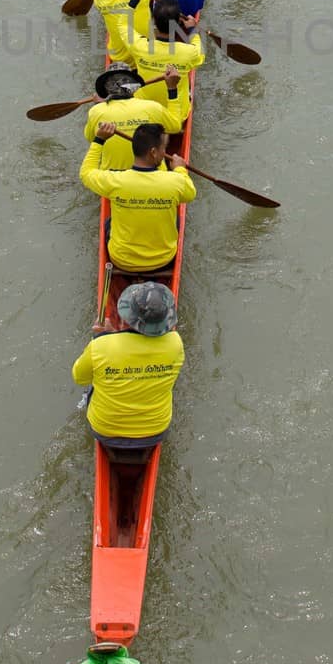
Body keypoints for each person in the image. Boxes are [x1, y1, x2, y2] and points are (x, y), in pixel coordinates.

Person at [72, 280, 184, 451]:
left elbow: (80, 378)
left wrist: (101, 336)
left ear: (127, 317)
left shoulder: (101, 346)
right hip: (155, 431)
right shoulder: (175, 344)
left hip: (105, 430)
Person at [80, 122, 196, 272]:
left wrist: (99, 140)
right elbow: (190, 193)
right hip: (163, 261)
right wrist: (180, 168)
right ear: (153, 152)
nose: (164, 152)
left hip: (121, 260)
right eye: (163, 148)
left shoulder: (114, 181)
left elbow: (86, 173)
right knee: (177, 219)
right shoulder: (175, 181)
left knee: (108, 222)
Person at [84, 61, 190, 168]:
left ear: (106, 88)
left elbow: (92, 139)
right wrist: (172, 89)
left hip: (113, 179)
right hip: (152, 176)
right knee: (161, 132)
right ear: (133, 87)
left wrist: (100, 106)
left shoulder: (96, 111)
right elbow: (176, 126)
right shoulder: (152, 107)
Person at [128, 0, 204, 104]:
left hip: (143, 106)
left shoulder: (137, 45)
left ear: (153, 21)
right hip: (177, 112)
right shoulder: (190, 52)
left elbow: (121, 24)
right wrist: (192, 29)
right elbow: (199, 53)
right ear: (178, 23)